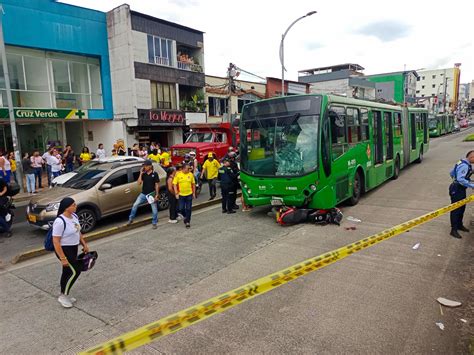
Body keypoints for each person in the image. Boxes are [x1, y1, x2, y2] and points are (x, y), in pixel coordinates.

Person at [52, 197, 89, 308]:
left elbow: (78, 232)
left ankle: (65, 294)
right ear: (66, 207)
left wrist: (84, 244)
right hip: (64, 250)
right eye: (73, 205)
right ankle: (63, 296)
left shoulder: (74, 216)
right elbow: (56, 241)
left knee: (67, 271)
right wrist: (63, 258)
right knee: (75, 271)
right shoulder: (60, 221)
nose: (75, 206)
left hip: (73, 248)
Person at [127, 160, 160, 229]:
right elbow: (139, 183)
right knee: (135, 205)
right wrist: (141, 173)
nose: (144, 167)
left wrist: (156, 195)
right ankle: (131, 219)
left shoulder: (155, 174)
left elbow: (157, 185)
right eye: (144, 166)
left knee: (154, 210)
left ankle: (154, 222)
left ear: (150, 166)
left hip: (151, 194)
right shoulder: (144, 174)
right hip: (143, 194)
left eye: (146, 166)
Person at [448, 150, 474, 239]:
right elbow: (461, 179)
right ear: (471, 157)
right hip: (457, 189)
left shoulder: (463, 162)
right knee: (456, 209)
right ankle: (453, 229)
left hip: (459, 188)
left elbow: (451, 172)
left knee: (462, 207)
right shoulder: (464, 165)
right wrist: (472, 185)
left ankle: (459, 225)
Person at [173, 163, 196, 228]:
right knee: (181, 208)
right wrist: (176, 193)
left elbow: (193, 184)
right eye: (187, 168)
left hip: (189, 194)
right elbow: (174, 184)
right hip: (181, 195)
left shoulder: (190, 174)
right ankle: (186, 216)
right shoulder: (178, 175)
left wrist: (194, 193)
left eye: (189, 168)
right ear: (183, 168)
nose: (189, 169)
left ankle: (187, 221)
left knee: (188, 208)